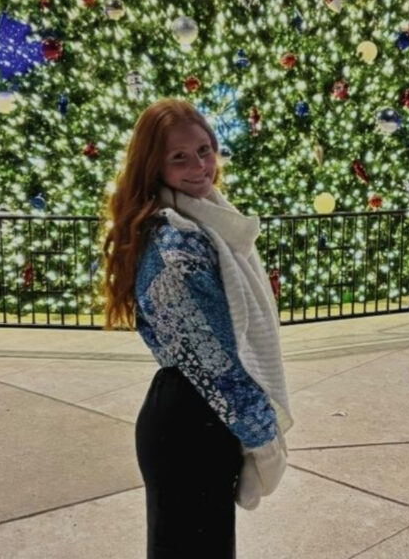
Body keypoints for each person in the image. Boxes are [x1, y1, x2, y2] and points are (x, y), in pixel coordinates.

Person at [101, 98, 293, 559]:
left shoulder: (207, 220)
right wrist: (263, 441)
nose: (199, 166)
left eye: (204, 149)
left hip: (201, 417)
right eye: (179, 156)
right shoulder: (175, 242)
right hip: (192, 423)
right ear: (153, 165)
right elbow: (213, 360)